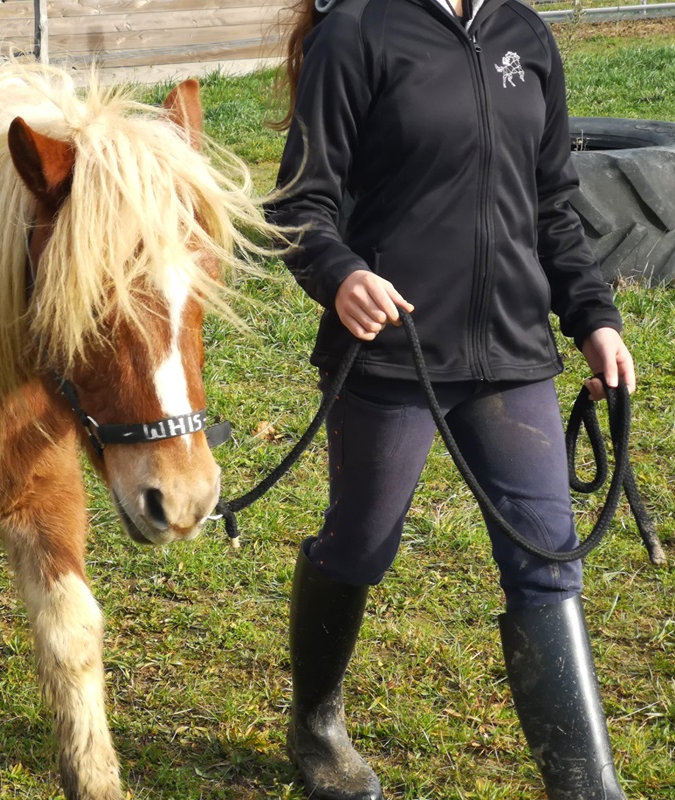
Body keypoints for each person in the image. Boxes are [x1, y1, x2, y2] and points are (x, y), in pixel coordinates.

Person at [266, 0, 637, 798]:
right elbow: (300, 208)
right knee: (360, 546)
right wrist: (342, 277)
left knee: (546, 562)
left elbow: (553, 210)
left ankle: (587, 789)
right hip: (393, 356)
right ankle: (316, 724)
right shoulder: (357, 30)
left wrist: (593, 320)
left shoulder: (526, 35)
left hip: (511, 355)